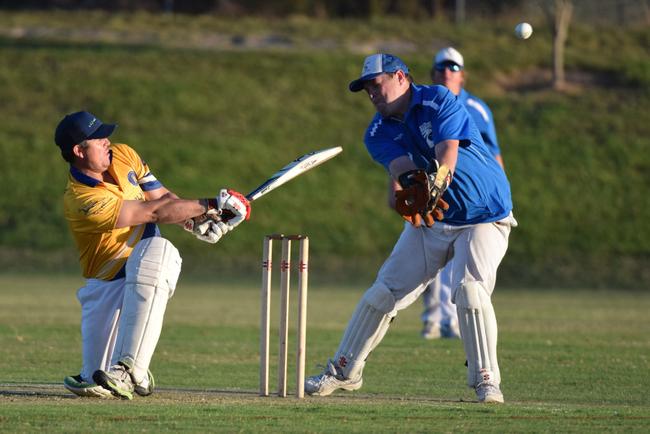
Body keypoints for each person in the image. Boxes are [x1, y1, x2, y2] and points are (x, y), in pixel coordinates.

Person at [305, 54, 516, 403]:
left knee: (470, 291)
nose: (371, 92)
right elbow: (403, 170)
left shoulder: (438, 99)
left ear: (401, 77)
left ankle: (486, 379)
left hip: (485, 212)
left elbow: (448, 152)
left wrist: (437, 182)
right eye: (366, 88)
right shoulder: (376, 133)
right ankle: (343, 372)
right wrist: (416, 194)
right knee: (383, 292)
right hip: (436, 219)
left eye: (377, 83)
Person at [56, 111, 251, 399]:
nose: (108, 142)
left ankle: (131, 368)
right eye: (99, 140)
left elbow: (163, 199)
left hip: (145, 270)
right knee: (95, 383)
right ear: (78, 151)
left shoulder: (124, 155)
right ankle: (128, 371)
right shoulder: (82, 201)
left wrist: (202, 218)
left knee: (158, 251)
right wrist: (210, 202)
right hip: (107, 287)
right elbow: (153, 212)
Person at [412, 46, 507, 340]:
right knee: (431, 262)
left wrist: (499, 190)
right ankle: (432, 320)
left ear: (463, 76)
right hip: (435, 195)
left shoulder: (476, 109)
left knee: (465, 267)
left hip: (473, 199)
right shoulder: (422, 109)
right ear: (432, 73)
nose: (446, 73)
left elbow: (494, 154)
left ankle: (454, 321)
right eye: (441, 68)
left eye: (453, 68)